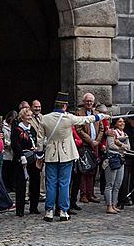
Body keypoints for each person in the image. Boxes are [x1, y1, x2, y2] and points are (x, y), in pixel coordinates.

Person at [39, 92, 106, 222]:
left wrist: (39, 155)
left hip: (51, 155)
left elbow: (40, 140)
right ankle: (63, 211)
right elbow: (86, 119)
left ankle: (49, 211)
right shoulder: (69, 118)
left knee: (51, 184)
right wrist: (101, 116)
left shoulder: (45, 118)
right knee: (64, 183)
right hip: (66, 154)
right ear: (64, 106)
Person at [74, 93, 105, 206]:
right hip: (85, 145)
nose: (89, 103)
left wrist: (97, 140)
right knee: (84, 169)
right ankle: (83, 194)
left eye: (91, 101)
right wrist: (90, 140)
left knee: (93, 169)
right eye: (87, 101)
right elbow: (79, 129)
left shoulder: (97, 114)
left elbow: (101, 128)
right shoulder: (79, 113)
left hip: (95, 144)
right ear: (84, 102)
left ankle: (91, 193)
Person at [11, 107, 41, 216]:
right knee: (21, 184)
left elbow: (36, 140)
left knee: (35, 182)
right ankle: (20, 209)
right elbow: (15, 144)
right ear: (22, 117)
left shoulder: (32, 128)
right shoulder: (17, 129)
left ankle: (34, 207)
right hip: (22, 159)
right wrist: (21, 155)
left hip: (33, 157)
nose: (30, 118)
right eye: (28, 116)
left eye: (30, 116)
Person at [104, 117, 128, 214]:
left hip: (120, 159)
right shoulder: (112, 133)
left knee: (117, 184)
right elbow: (111, 145)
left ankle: (114, 204)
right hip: (112, 159)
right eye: (120, 121)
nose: (122, 123)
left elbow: (128, 147)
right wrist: (122, 146)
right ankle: (109, 205)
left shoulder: (125, 134)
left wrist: (120, 145)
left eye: (123, 121)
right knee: (110, 184)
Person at [1, 110, 17, 191]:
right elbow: (3, 138)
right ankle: (6, 186)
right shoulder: (3, 126)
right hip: (6, 151)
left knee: (12, 170)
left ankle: (12, 185)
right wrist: (11, 144)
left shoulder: (15, 126)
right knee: (5, 170)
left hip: (13, 152)